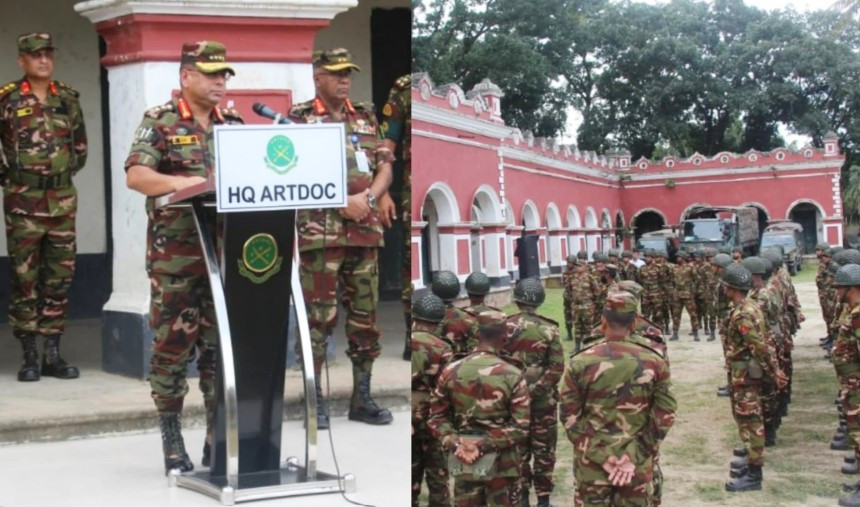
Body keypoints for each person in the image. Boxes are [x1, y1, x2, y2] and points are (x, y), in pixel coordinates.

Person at [125, 41, 241, 472]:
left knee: (220, 351)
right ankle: (172, 439)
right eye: (211, 73)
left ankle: (217, 437)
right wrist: (183, 183)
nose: (220, 81)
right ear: (185, 76)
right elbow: (137, 175)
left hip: (228, 259)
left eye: (224, 74)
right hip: (176, 261)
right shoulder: (161, 121)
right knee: (173, 351)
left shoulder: (235, 123)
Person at [288, 48, 395, 427]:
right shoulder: (299, 119)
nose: (344, 79)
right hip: (320, 235)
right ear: (318, 77)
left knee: (365, 320)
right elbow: (289, 170)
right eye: (335, 73)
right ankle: (313, 398)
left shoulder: (365, 116)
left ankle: (361, 397)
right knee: (318, 320)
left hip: (365, 232)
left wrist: (368, 198)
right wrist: (338, 200)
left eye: (348, 72)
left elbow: (384, 168)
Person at [1, 33, 87, 382]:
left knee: (59, 279)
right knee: (25, 280)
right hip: (23, 204)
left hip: (62, 202)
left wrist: (57, 178)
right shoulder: (7, 100)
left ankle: (53, 354)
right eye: (35, 56)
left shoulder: (67, 98)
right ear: (22, 60)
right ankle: (29, 356)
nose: (43, 61)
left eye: (48, 54)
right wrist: (13, 179)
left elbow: (80, 148)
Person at [559, 291, 676, 506]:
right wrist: (634, 455)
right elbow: (665, 415)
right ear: (634, 323)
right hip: (636, 467)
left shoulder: (579, 363)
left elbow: (569, 416)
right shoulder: (654, 362)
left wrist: (602, 457)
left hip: (591, 466)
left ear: (603, 320)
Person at [428, 309, 531, 506]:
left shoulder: (450, 371)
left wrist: (457, 444)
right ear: (505, 336)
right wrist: (483, 445)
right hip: (503, 468)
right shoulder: (513, 375)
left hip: (465, 464)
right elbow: (520, 427)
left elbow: (436, 419)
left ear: (477, 334)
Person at [720, 263, 786, 492]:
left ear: (731, 288)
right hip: (743, 374)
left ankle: (754, 474)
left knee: (750, 422)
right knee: (747, 421)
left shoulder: (743, 314)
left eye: (726, 286)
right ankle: (751, 462)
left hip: (745, 376)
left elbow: (758, 345)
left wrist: (774, 371)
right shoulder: (750, 306)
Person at [504, 278, 564, 507]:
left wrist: (519, 392)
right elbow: (557, 367)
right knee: (544, 450)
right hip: (543, 402)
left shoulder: (505, 326)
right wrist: (536, 389)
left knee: (518, 449)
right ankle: (544, 500)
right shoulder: (550, 328)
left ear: (516, 299)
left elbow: (499, 365)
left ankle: (522, 498)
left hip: (512, 401)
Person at [378, 74, 411, 361]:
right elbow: (387, 145)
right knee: (409, 264)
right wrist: (382, 191)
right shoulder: (404, 89)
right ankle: (412, 335)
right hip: (410, 191)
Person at [411, 294, 453, 507]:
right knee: (437, 477)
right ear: (437, 323)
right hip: (432, 419)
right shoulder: (443, 348)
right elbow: (447, 389)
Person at [432, 270, 478, 354]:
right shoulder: (468, 319)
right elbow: (474, 351)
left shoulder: (420, 319)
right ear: (457, 294)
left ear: (433, 291)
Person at [463, 271, 502, 353]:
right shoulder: (498, 315)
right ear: (486, 292)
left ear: (467, 292)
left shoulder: (460, 315)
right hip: (492, 360)